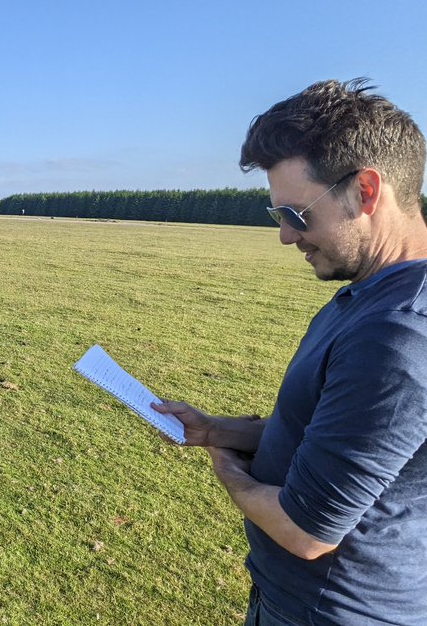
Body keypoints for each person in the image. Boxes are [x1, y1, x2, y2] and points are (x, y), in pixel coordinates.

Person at [154, 79, 427, 625]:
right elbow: (327, 437)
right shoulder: (370, 294)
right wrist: (214, 430)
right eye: (275, 214)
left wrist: (229, 472)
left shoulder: (397, 333)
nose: (284, 236)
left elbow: (307, 532)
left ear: (366, 191)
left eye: (297, 215)